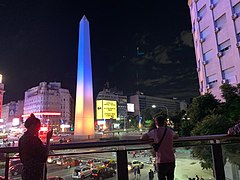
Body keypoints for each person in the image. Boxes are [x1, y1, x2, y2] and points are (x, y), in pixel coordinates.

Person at [141, 115, 179, 180]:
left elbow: (143, 137)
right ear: (164, 123)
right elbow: (176, 136)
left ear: (156, 123)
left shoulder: (155, 132)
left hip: (161, 160)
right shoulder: (169, 131)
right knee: (171, 178)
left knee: (161, 178)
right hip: (171, 160)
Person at [19, 113, 53, 180]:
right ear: (32, 126)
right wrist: (48, 139)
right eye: (38, 127)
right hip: (36, 173)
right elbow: (44, 155)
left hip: (26, 172)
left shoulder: (22, 138)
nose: (39, 129)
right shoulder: (34, 140)